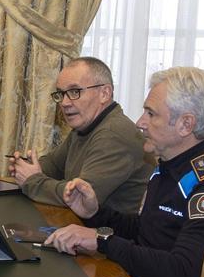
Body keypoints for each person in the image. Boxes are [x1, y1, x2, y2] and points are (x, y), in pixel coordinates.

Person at [45, 67, 204, 277]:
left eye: (151, 114)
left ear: (186, 124)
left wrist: (102, 241)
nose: (140, 122)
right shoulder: (168, 168)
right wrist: (95, 214)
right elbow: (146, 231)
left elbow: (180, 274)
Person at [8, 57, 152, 214]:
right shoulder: (86, 125)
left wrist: (32, 180)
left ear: (104, 93)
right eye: (61, 94)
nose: (64, 103)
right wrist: (26, 167)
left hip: (110, 234)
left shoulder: (113, 133)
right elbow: (54, 165)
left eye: (74, 92)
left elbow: (79, 197)